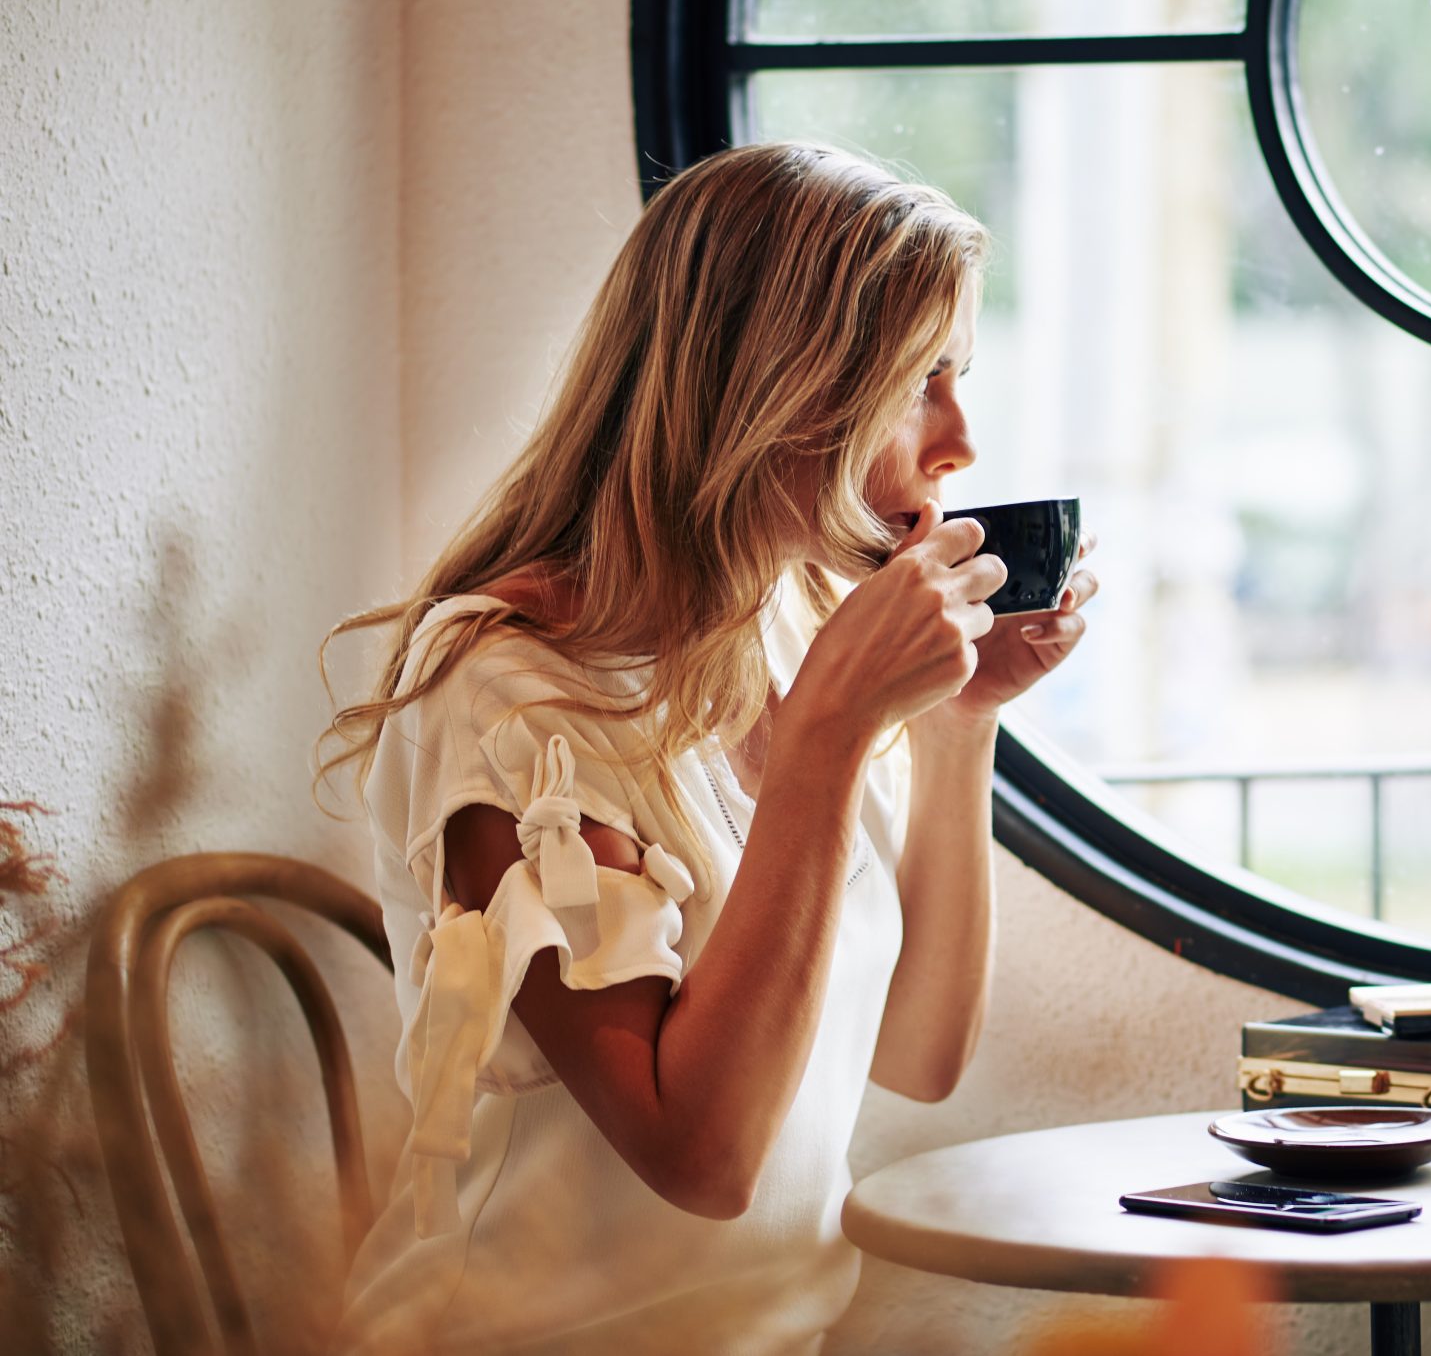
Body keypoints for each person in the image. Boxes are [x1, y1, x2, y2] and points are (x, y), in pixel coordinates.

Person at [315, 142, 1096, 1354]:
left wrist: (954, 723)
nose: (960, 442)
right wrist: (828, 742)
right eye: (918, 380)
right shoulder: (515, 692)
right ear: (771, 388)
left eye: (959, 375)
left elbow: (920, 1050)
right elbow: (704, 1156)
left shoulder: (775, 626)